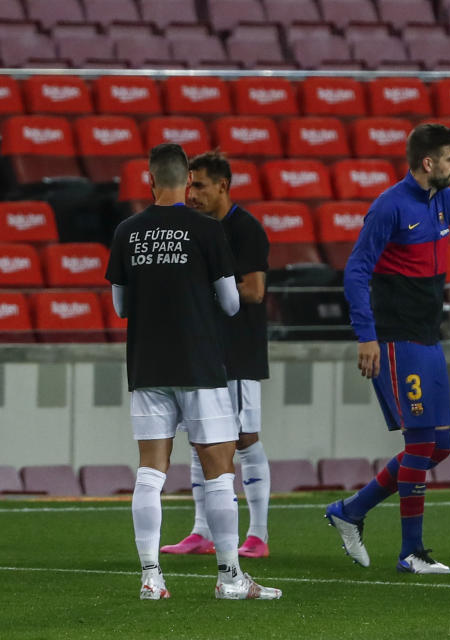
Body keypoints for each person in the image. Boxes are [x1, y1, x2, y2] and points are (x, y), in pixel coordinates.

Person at [325, 124, 450, 574]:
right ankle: (410, 553)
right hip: (397, 342)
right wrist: (366, 336)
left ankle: (351, 510)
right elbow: (356, 272)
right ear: (429, 163)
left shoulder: (443, 201)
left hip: (428, 340)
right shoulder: (389, 207)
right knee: (420, 445)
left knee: (439, 446)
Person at [105, 143, 280, 601]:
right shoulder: (206, 231)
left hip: (147, 366)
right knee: (220, 471)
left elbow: (121, 306)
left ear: (149, 180)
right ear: (186, 181)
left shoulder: (127, 231)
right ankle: (229, 577)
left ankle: (150, 577)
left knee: (150, 472)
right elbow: (230, 302)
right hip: (201, 365)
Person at [160, 151, 272, 559]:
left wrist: (201, 293)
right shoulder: (196, 230)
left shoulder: (245, 229)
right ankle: (201, 532)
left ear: (223, 186)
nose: (192, 194)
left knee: (244, 439)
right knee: (201, 439)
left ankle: (258, 535)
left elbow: (255, 291)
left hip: (238, 351)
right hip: (203, 351)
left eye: (200, 186)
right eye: (189, 186)